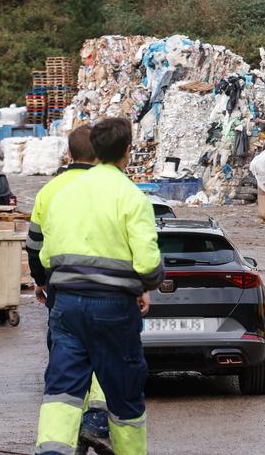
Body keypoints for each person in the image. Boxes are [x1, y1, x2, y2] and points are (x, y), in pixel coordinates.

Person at [35, 118, 164, 455]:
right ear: (126, 151)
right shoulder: (132, 197)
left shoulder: (64, 192)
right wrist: (147, 285)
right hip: (113, 307)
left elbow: (47, 255)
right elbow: (148, 263)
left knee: (62, 389)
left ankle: (52, 450)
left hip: (66, 305)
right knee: (123, 391)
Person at [25, 126, 113, 454]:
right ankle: (95, 421)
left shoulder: (50, 190)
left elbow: (34, 245)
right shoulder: (113, 187)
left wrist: (41, 280)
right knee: (105, 355)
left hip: (62, 289)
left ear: (69, 153)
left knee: (66, 363)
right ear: (101, 153)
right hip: (108, 289)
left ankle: (60, 441)